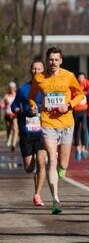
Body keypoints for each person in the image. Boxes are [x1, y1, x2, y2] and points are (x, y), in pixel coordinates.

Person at [28, 47, 85, 214]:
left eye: (56, 59)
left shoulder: (69, 76)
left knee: (62, 164)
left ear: (61, 61)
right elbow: (32, 97)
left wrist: (68, 105)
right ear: (47, 61)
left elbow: (80, 95)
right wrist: (33, 107)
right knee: (52, 159)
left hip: (67, 123)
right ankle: (55, 200)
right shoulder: (39, 78)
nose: (53, 62)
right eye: (50, 59)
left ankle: (60, 171)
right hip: (47, 123)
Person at [11, 59, 47, 206]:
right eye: (34, 69)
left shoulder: (48, 88)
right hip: (27, 133)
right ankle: (35, 171)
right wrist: (24, 110)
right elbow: (14, 107)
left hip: (43, 132)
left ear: (43, 71)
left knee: (41, 163)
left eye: (39, 69)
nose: (36, 71)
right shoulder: (23, 89)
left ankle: (37, 194)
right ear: (30, 71)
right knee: (29, 168)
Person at [73, 73, 89, 160]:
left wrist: (88, 92)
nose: (81, 78)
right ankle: (78, 148)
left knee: (84, 128)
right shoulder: (74, 85)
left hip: (84, 110)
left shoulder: (87, 85)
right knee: (77, 129)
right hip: (76, 110)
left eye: (83, 77)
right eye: (79, 77)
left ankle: (83, 148)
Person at [2, 81, 18, 151]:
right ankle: (9, 137)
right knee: (8, 128)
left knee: (15, 129)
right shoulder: (6, 96)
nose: (12, 89)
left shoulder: (17, 95)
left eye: (13, 88)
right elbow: (3, 104)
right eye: (10, 88)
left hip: (14, 114)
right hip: (8, 114)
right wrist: (2, 105)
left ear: (15, 88)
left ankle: (13, 144)